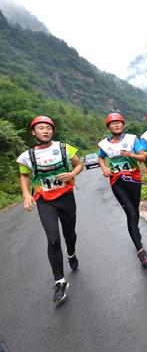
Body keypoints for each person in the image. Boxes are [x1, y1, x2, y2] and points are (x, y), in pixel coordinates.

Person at [16, 116, 84, 304]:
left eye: (48, 128)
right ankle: (59, 281)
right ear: (33, 132)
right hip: (45, 201)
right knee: (53, 239)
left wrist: (72, 173)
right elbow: (24, 176)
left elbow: (79, 164)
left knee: (69, 234)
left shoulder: (64, 148)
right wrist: (26, 194)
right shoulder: (26, 156)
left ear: (52, 131)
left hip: (66, 197)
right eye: (41, 128)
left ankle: (71, 251)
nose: (45, 131)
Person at [97, 113, 147, 265]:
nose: (116, 125)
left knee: (135, 210)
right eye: (113, 123)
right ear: (108, 127)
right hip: (117, 182)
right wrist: (104, 168)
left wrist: (130, 154)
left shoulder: (133, 139)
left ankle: (135, 231)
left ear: (123, 124)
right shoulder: (104, 144)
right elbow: (100, 157)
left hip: (134, 179)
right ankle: (140, 250)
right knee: (131, 213)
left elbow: (143, 158)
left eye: (119, 123)